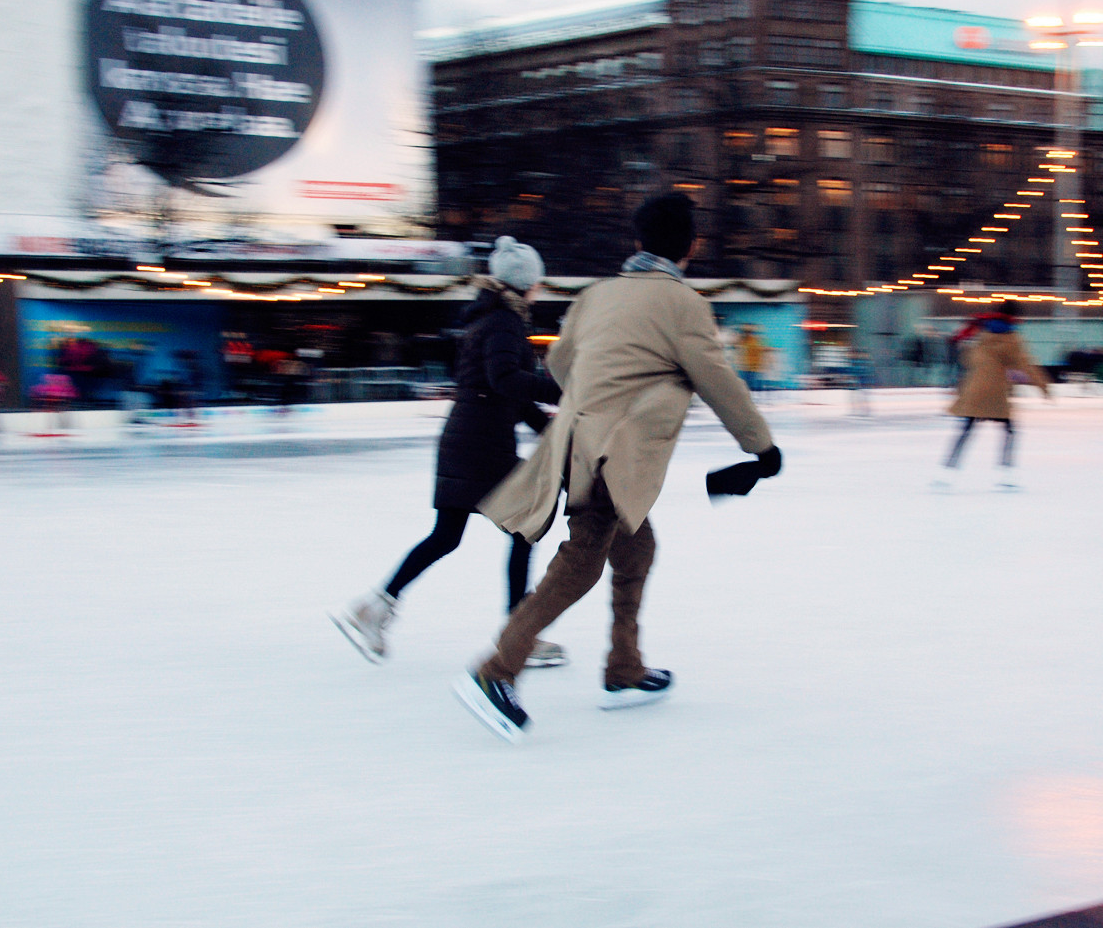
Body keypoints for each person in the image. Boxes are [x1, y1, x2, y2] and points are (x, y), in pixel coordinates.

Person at [454, 193, 781, 742]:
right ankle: (497, 671)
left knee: (638, 545)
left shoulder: (596, 295)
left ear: (636, 244)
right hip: (617, 451)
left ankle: (624, 667)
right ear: (691, 248)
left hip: (579, 442)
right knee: (583, 559)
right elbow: (718, 379)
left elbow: (558, 365)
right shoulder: (684, 305)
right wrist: (762, 448)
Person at [332, 237, 566, 665]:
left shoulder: (486, 317)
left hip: (468, 439)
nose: (539, 288)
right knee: (525, 525)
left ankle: (375, 606)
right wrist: (561, 388)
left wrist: (543, 424)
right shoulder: (504, 322)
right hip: (482, 447)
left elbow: (500, 390)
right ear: (525, 283)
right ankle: (517, 635)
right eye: (537, 282)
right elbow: (504, 381)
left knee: (448, 536)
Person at [932, 301, 1051, 492]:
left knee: (966, 431)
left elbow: (968, 359)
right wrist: (1043, 386)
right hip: (996, 392)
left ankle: (945, 472)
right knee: (1010, 432)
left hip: (974, 389)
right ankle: (1007, 474)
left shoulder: (981, 333)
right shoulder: (1012, 338)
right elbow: (1025, 363)